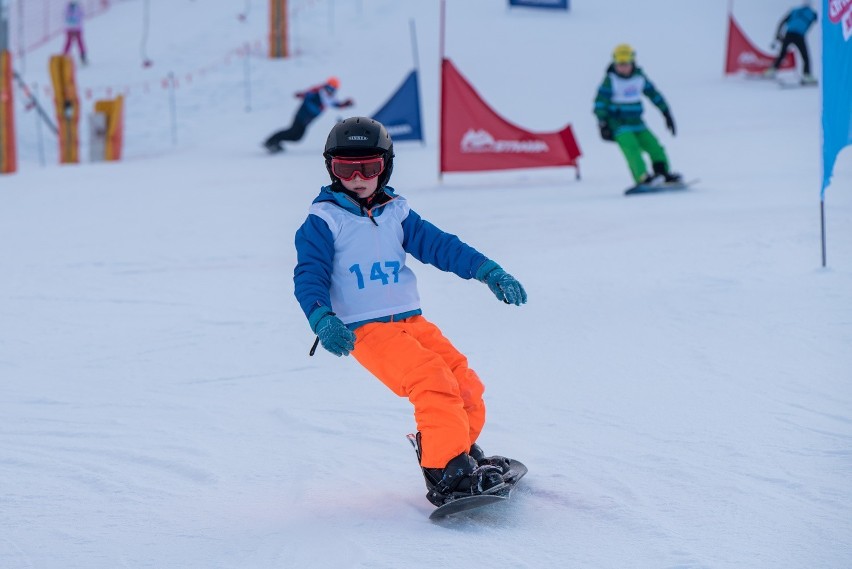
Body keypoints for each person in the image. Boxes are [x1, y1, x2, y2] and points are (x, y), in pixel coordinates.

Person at [293, 117, 527, 507]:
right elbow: (309, 276)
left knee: (463, 380)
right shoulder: (323, 221)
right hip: (364, 330)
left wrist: (487, 270)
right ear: (330, 169)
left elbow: (441, 246)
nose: (358, 178)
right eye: (345, 169)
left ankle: (460, 454)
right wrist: (322, 317)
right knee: (431, 381)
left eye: (369, 167)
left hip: (411, 321)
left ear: (386, 166)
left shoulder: (396, 213)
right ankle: (444, 472)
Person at [594, 44, 681, 189]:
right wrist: (602, 123)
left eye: (626, 64)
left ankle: (662, 172)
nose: (623, 68)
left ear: (632, 62)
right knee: (632, 148)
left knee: (654, 145)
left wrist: (666, 113)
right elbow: (600, 103)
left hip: (637, 122)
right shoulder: (610, 80)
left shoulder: (639, 78)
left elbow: (654, 94)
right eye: (619, 65)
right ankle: (642, 177)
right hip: (618, 123)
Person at [263, 77, 354, 153]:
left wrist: (346, 104)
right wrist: (302, 95)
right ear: (326, 86)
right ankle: (270, 141)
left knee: (297, 137)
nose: (330, 91)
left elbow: (336, 104)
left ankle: (276, 141)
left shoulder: (330, 97)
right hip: (301, 115)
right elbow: (307, 95)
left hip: (307, 120)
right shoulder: (318, 91)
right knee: (292, 131)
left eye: (333, 89)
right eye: (329, 88)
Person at [764, 1, 818, 84]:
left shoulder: (795, 10)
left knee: (783, 54)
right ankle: (807, 75)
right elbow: (824, 20)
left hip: (790, 34)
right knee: (805, 56)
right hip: (798, 35)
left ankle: (772, 70)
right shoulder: (812, 14)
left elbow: (782, 22)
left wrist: (778, 35)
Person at [62, 1, 87, 66]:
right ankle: (64, 58)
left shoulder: (77, 7)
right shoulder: (68, 7)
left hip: (76, 28)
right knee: (69, 42)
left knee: (79, 42)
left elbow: (81, 16)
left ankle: (83, 57)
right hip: (70, 28)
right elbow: (66, 17)